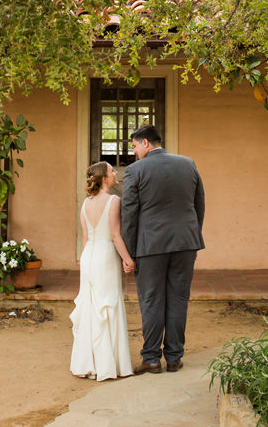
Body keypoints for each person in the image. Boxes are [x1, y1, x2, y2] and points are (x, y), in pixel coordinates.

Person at [121, 124, 206, 375]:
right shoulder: (188, 164)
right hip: (186, 242)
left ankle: (151, 359)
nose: (134, 151)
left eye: (135, 145)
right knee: (179, 298)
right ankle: (174, 358)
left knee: (151, 300)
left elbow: (129, 213)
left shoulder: (135, 170)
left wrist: (129, 251)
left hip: (150, 245)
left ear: (145, 143)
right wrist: (192, 234)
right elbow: (199, 204)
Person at [69, 161, 135, 380]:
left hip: (89, 257)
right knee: (107, 305)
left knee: (90, 307)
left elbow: (86, 238)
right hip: (106, 256)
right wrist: (127, 259)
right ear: (105, 179)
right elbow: (115, 235)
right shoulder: (114, 200)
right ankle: (108, 365)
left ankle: (89, 363)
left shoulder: (85, 204)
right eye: (112, 171)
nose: (116, 173)